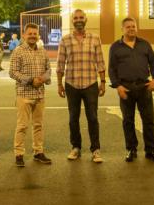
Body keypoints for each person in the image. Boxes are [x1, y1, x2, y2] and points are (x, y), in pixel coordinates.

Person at [108, 17, 154, 163]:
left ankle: (150, 151)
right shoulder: (115, 47)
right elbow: (112, 69)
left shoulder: (144, 44)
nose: (131, 29)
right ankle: (131, 150)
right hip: (126, 88)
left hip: (144, 87)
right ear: (122, 29)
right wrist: (117, 86)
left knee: (149, 120)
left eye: (133, 26)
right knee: (128, 121)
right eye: (128, 27)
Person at [57, 9, 106, 163]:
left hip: (90, 83)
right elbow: (60, 63)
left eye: (81, 17)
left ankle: (96, 149)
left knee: (92, 118)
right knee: (73, 118)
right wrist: (59, 84)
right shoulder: (65, 40)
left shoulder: (95, 38)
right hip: (71, 84)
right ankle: (76, 147)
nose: (78, 20)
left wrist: (103, 82)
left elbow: (100, 62)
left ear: (86, 20)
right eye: (76, 18)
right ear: (72, 21)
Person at [9, 23, 52, 167]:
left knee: (38, 125)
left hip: (40, 94)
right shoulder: (18, 51)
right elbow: (13, 72)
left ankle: (38, 152)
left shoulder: (42, 51)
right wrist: (30, 80)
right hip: (24, 94)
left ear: (38, 35)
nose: (33, 36)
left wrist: (43, 79)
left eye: (35, 33)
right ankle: (19, 154)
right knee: (22, 126)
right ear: (24, 35)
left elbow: (48, 70)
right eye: (30, 33)